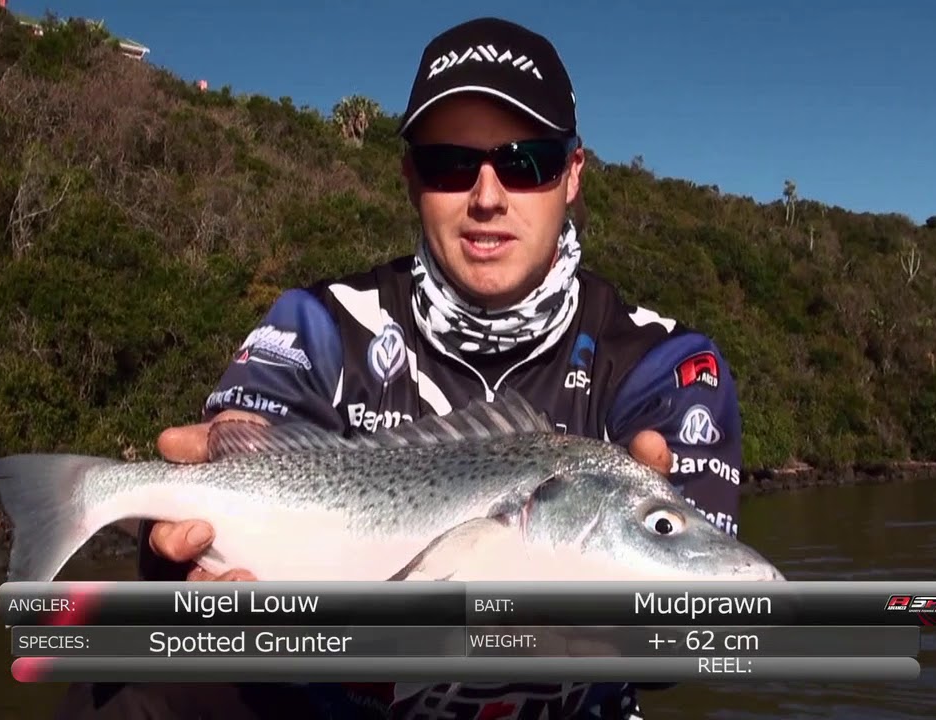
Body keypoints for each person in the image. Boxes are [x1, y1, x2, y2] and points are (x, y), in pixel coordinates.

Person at [56, 16, 744, 720]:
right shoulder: (320, 323)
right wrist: (172, 549)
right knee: (128, 680)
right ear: (410, 176)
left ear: (571, 176)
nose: (486, 196)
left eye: (526, 161)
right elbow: (233, 471)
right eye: (450, 162)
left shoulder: (664, 360)